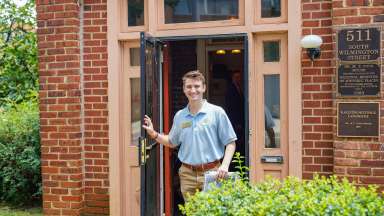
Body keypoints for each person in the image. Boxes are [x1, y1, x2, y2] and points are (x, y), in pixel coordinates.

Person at [142, 70, 237, 201]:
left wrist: (225, 166)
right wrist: (154, 134)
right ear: (184, 89)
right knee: (191, 212)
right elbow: (171, 141)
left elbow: (231, 142)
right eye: (189, 87)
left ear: (203, 88)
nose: (193, 90)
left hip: (212, 173)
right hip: (187, 175)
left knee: (211, 212)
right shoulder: (180, 116)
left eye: (197, 86)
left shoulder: (217, 112)